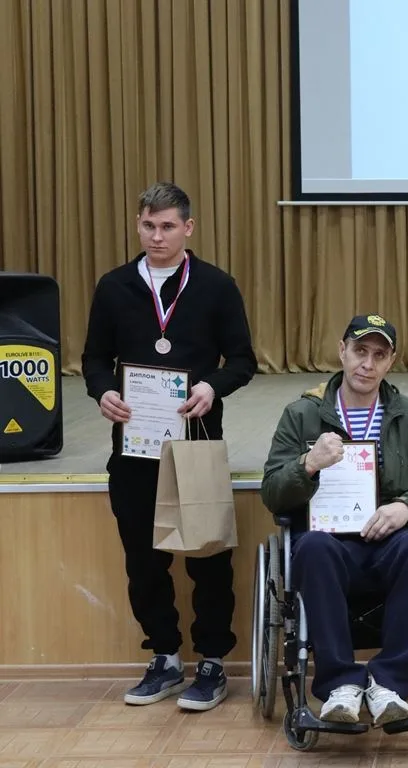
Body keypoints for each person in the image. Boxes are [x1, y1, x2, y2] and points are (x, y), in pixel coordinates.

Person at [81, 182, 257, 710]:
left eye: (167, 226)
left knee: (207, 558)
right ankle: (164, 657)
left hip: (196, 443)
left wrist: (211, 388)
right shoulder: (114, 287)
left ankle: (212, 661)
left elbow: (242, 361)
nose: (156, 236)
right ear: (138, 225)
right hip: (134, 447)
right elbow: (93, 359)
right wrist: (103, 391)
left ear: (188, 228)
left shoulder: (216, 286)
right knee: (143, 560)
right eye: (147, 226)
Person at [260, 314, 408, 726]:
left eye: (379, 355)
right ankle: (340, 687)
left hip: (390, 540)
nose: (367, 364)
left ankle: (389, 686)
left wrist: (407, 505)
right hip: (330, 544)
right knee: (311, 547)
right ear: (342, 351)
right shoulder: (301, 414)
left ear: (391, 362)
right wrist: (307, 464)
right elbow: (272, 493)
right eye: (360, 351)